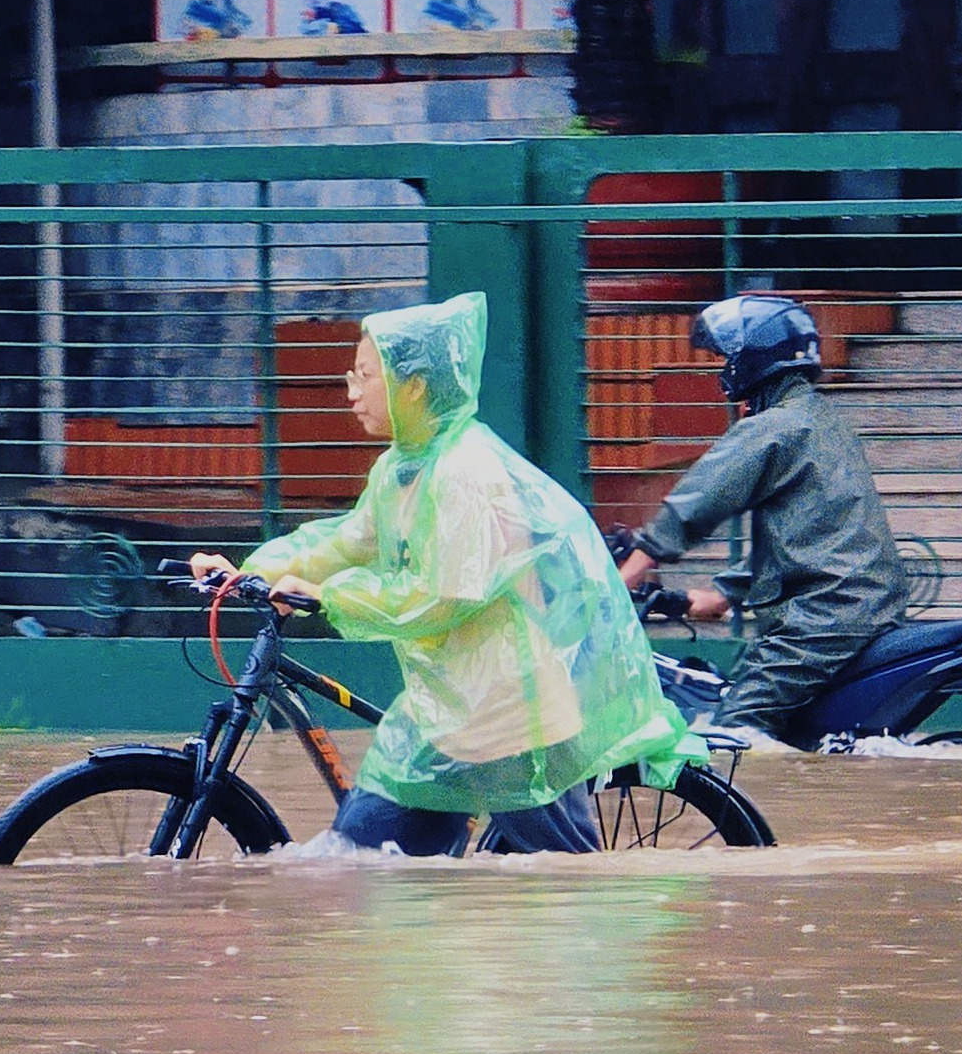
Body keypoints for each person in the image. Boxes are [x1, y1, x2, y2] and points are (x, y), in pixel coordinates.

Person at [191, 291, 703, 856]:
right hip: (445, 716)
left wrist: (329, 597)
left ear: (412, 386)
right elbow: (344, 541)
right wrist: (250, 571)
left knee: (570, 881)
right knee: (363, 861)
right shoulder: (399, 469)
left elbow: (443, 596)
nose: (351, 391)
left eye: (366, 375)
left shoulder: (466, 471)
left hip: (510, 717)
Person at [616, 293, 910, 745]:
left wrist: (626, 576)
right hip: (854, 606)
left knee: (733, 736)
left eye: (727, 358)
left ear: (754, 357)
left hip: (824, 617)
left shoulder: (774, 427)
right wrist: (723, 593)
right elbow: (810, 534)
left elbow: (698, 500)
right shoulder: (819, 419)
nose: (723, 371)